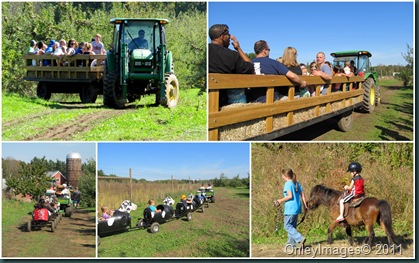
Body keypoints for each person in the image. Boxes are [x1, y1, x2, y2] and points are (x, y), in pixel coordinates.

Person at [208, 24, 254, 106]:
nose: (230, 37)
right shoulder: (232, 55)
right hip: (222, 104)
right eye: (228, 35)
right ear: (222, 37)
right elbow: (251, 68)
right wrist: (238, 49)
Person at [275, 169, 308, 249]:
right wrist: (305, 205)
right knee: (292, 227)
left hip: (290, 208)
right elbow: (302, 194)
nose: (281, 176)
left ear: (285, 176)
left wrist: (279, 200)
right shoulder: (296, 183)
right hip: (297, 207)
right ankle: (291, 245)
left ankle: (300, 238)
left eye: (282, 175)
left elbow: (290, 196)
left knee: (287, 226)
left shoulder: (287, 184)